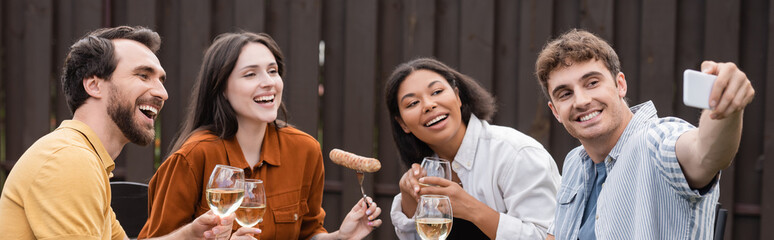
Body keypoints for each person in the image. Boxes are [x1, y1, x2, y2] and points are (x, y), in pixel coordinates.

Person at [0, 26, 258, 240]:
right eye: (143, 75)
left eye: (160, 80)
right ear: (93, 84)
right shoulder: (68, 160)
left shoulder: (85, 159)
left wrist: (192, 235)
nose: (162, 93)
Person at [138, 31, 382, 240]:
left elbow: (308, 234)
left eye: (273, 71)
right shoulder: (192, 157)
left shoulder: (305, 150)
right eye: (250, 74)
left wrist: (341, 236)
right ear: (222, 88)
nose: (268, 83)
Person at [535, 29, 755, 239]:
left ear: (620, 85)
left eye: (592, 83)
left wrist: (725, 107)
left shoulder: (655, 140)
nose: (581, 100)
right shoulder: (575, 162)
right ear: (555, 111)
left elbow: (705, 154)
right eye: (565, 94)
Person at [385, 58, 561, 239]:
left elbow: (547, 235)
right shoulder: (427, 170)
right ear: (402, 123)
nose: (429, 105)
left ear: (457, 96)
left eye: (437, 91)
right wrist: (409, 201)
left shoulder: (516, 154)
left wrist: (471, 208)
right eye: (412, 103)